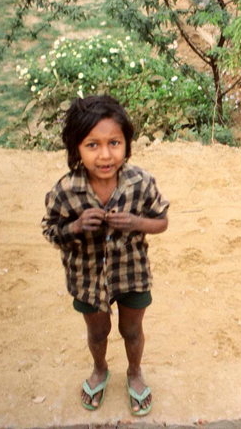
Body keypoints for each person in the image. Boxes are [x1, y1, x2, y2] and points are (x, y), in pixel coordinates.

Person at [42, 95, 169, 415]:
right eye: (92, 145)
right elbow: (51, 230)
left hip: (132, 272)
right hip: (86, 278)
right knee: (97, 331)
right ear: (76, 150)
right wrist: (76, 227)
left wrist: (137, 222)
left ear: (127, 144)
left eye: (114, 142)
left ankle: (135, 372)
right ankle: (99, 368)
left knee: (131, 330)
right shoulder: (66, 190)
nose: (105, 155)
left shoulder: (141, 183)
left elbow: (162, 221)